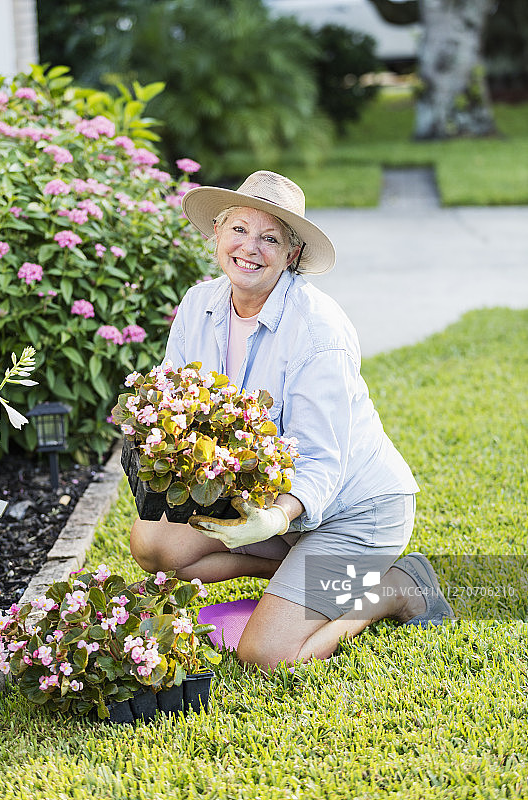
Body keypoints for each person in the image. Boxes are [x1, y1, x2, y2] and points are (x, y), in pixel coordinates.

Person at [130, 170, 454, 671]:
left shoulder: (318, 329)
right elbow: (179, 404)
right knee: (153, 542)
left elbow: (322, 459)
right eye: (239, 229)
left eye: (270, 238)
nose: (250, 248)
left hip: (355, 513)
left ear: (292, 254)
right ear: (217, 233)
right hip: (272, 504)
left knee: (266, 656)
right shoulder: (199, 306)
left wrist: (277, 517)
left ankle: (394, 587)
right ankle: (300, 576)